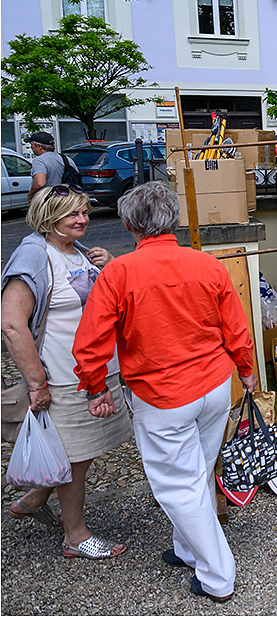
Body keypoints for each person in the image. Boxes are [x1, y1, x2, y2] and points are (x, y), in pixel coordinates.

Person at [73, 182, 257, 602]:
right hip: (213, 383)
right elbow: (236, 326)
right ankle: (187, 548)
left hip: (162, 393)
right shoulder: (206, 264)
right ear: (173, 219)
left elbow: (91, 341)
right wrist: (246, 370)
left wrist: (95, 387)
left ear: (129, 224)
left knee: (179, 485)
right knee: (197, 473)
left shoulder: (119, 272)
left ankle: (217, 575)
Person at [0, 185, 131, 559]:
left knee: (81, 451)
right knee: (73, 458)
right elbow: (11, 324)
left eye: (85, 212)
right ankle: (75, 535)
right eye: (73, 213)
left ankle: (34, 498)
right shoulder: (34, 256)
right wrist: (36, 383)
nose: (83, 219)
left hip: (95, 374)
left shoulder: (77, 251)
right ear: (48, 217)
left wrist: (111, 264)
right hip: (63, 379)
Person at [26, 131, 66, 201]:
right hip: (66, 200)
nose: (31, 147)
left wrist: (30, 195)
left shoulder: (40, 160)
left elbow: (40, 183)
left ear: (39, 146)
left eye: (32, 144)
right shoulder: (65, 159)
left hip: (48, 201)